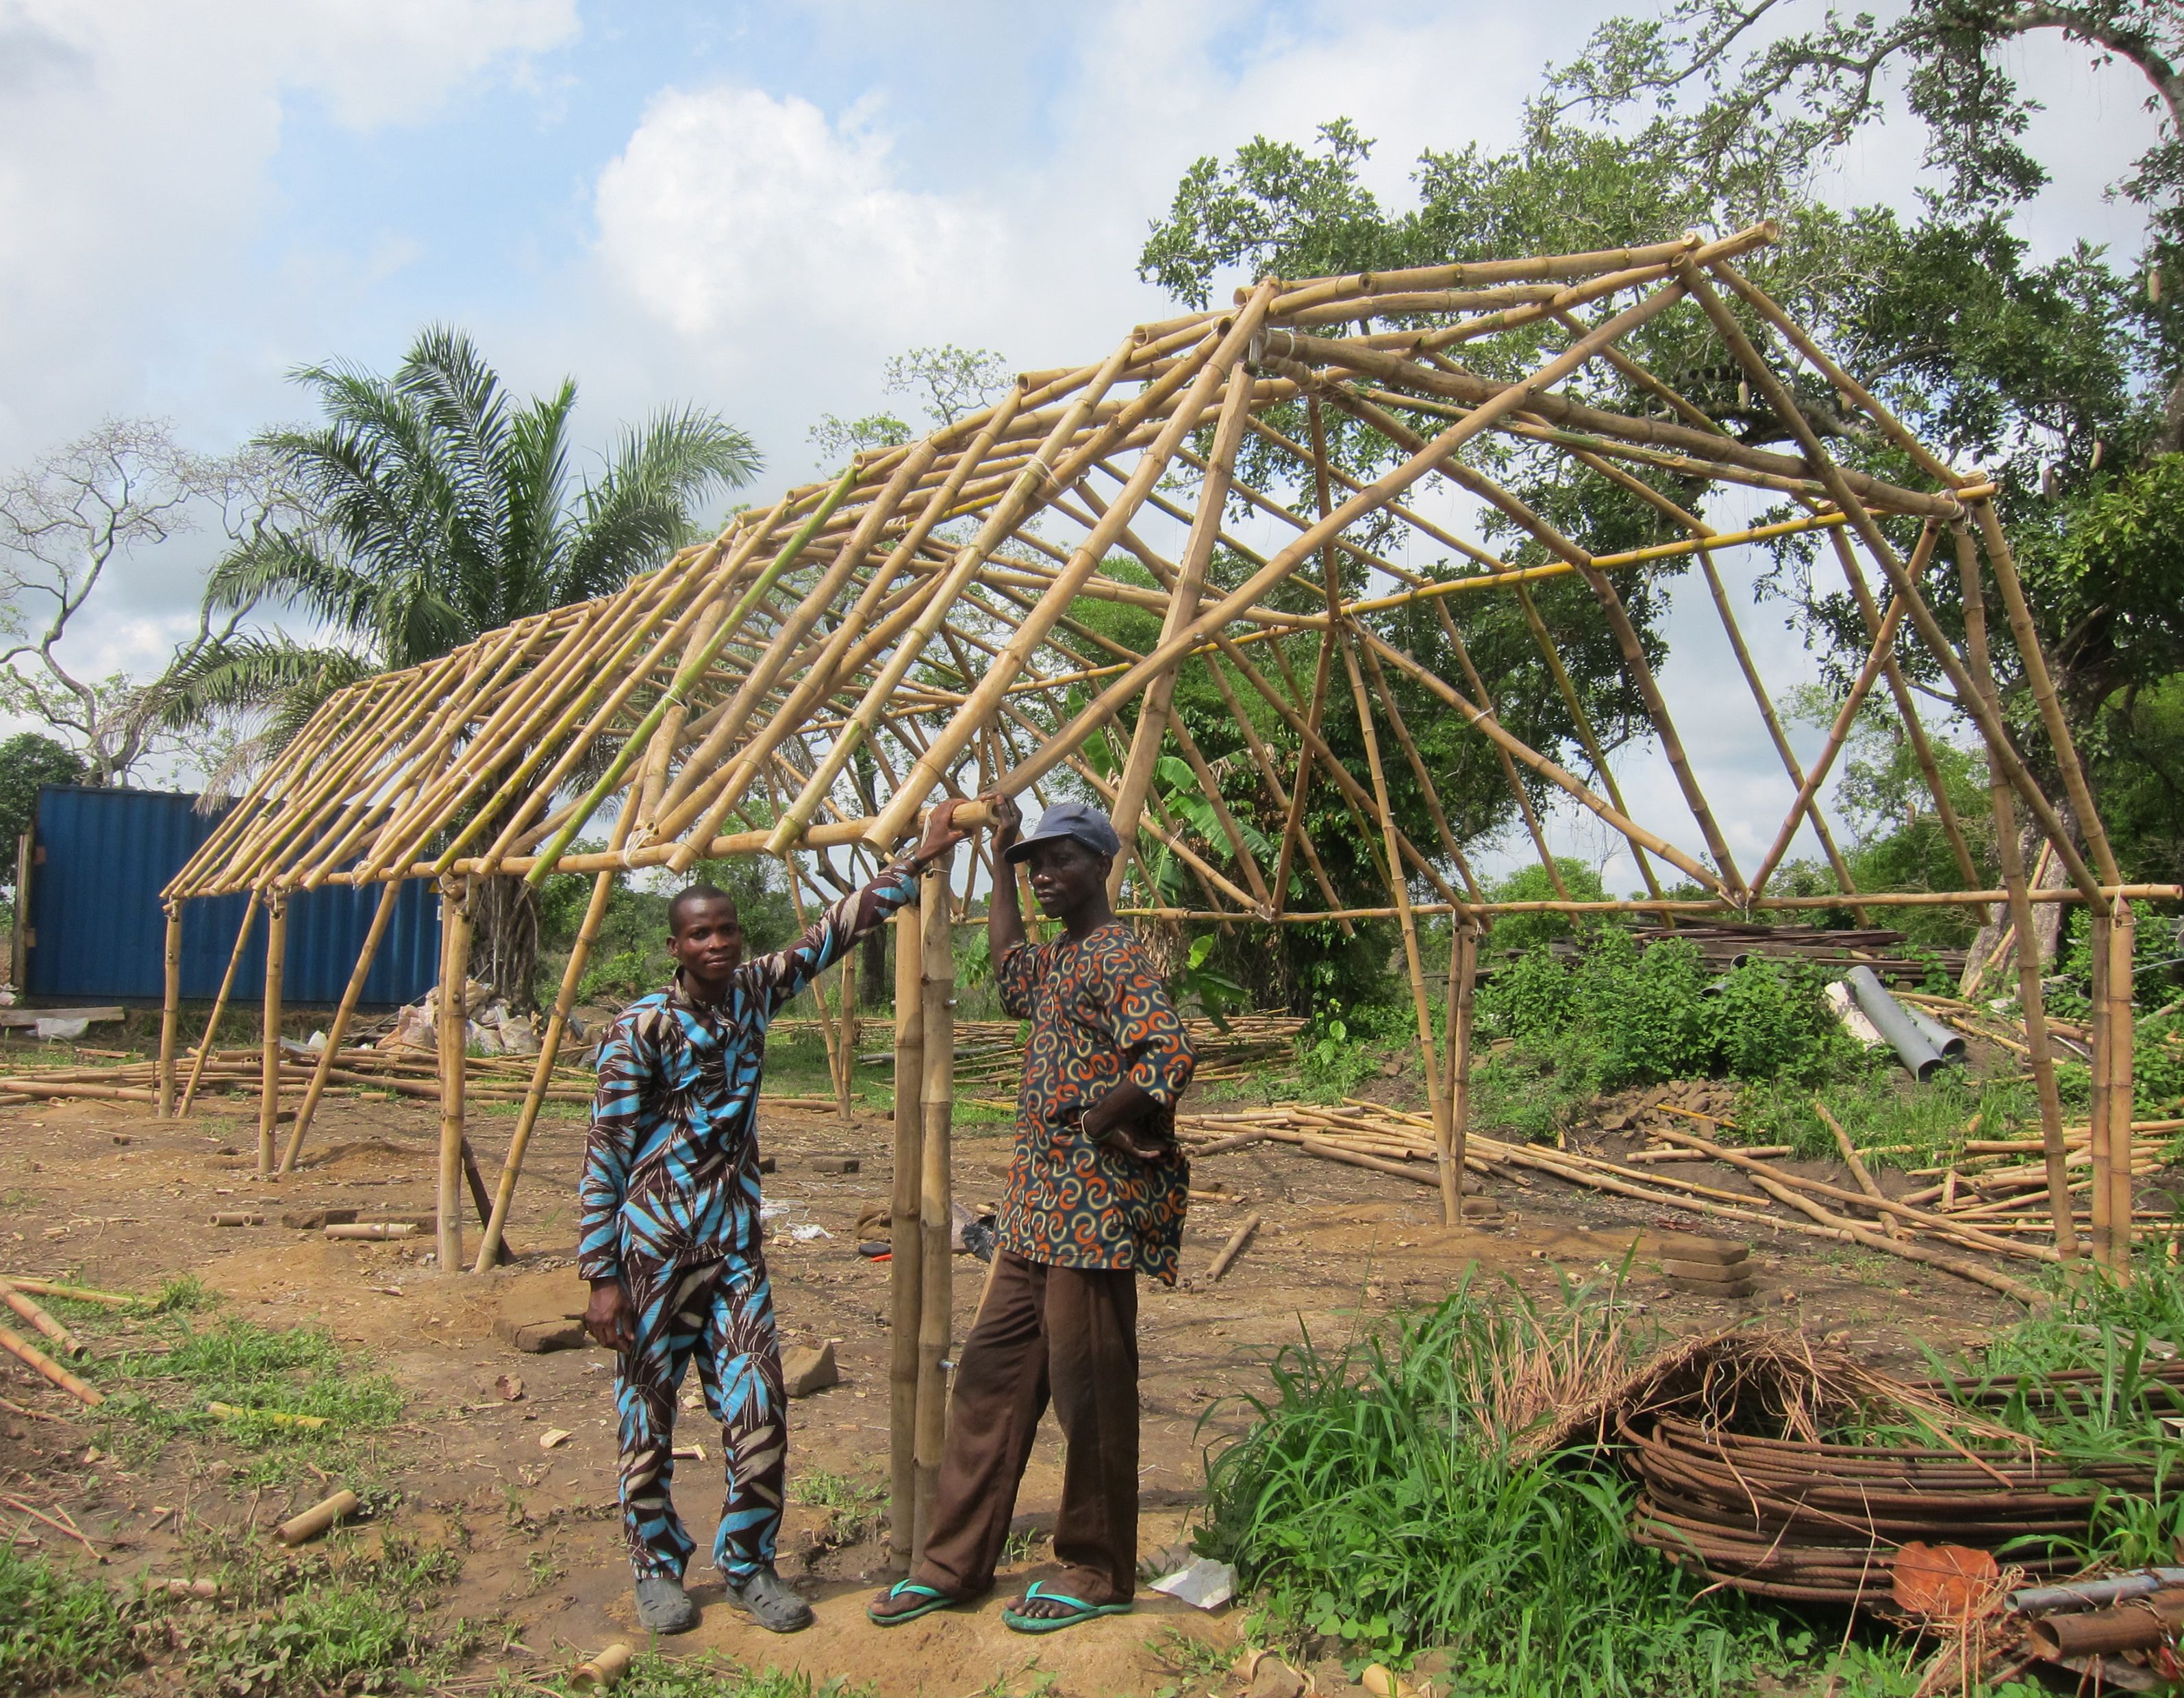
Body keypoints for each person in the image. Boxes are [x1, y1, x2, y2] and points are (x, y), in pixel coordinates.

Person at [579, 802, 972, 1635]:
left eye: (726, 928)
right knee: (645, 1416)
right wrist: (600, 1276)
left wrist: (919, 857)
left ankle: (750, 1564)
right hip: (650, 1254)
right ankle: (655, 1569)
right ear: (675, 946)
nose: (717, 943)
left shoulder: (753, 992)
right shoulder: (639, 1029)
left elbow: (833, 931)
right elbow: (606, 1152)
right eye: (699, 934)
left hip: (734, 1252)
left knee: (760, 1405)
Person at [868, 796, 1195, 1635]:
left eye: (1059, 862)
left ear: (1100, 865)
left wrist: (1096, 1116)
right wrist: (1001, 855)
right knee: (989, 1383)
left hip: (1090, 1220)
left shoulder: (1116, 955)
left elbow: (1169, 1052)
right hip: (1033, 1217)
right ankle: (952, 1561)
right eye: (1034, 865)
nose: (1044, 876)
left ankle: (1097, 1568)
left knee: (1091, 1395)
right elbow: (1008, 962)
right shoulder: (1061, 958)